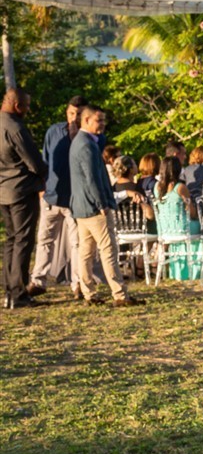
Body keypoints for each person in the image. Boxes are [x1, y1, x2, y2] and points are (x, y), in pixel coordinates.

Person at [69, 106, 144, 307]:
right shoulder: (86, 145)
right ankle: (119, 294)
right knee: (108, 249)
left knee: (86, 251)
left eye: (103, 120)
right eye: (98, 120)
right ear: (85, 120)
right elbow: (92, 179)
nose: (102, 124)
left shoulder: (79, 142)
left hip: (82, 207)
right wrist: (102, 203)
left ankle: (88, 293)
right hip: (94, 207)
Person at [30, 95, 88, 297]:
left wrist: (75, 135)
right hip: (51, 195)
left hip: (75, 198)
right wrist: (42, 189)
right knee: (44, 239)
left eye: (79, 114)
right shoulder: (53, 131)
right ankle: (38, 280)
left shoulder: (87, 136)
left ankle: (78, 284)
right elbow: (44, 160)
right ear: (66, 112)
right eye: (72, 113)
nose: (74, 118)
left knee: (77, 243)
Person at [1, 88, 47, 309]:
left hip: (3, 191)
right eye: (27, 106)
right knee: (23, 241)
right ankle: (18, 294)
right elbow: (34, 161)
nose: (28, 110)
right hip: (21, 190)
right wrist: (44, 175)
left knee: (11, 240)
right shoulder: (15, 127)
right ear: (17, 105)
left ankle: (9, 291)